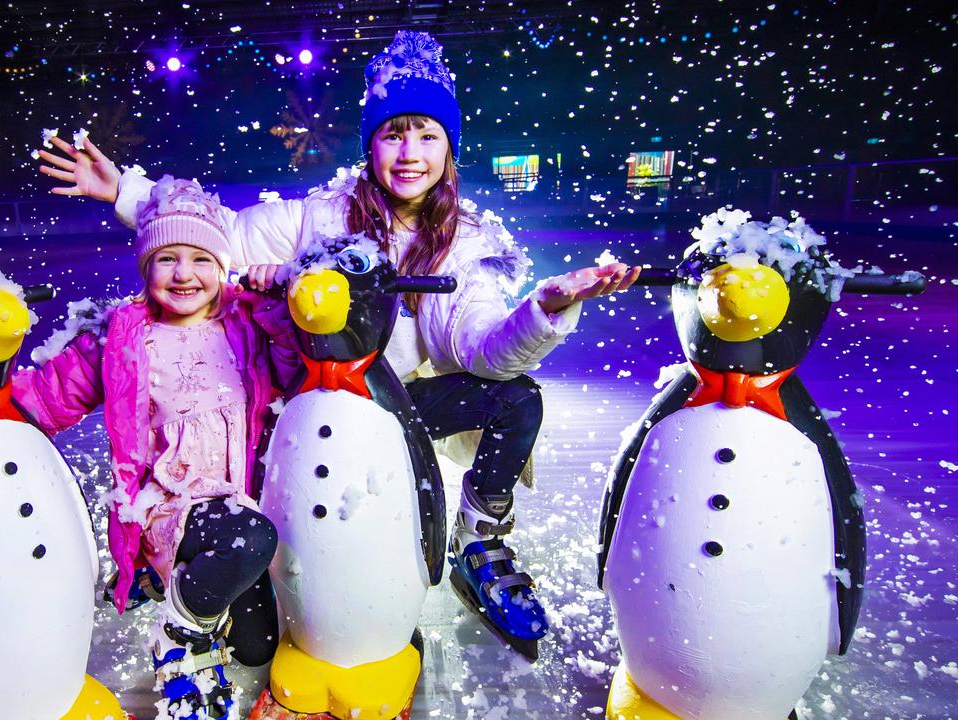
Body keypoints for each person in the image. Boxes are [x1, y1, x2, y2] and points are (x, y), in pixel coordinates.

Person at [34, 30, 639, 660]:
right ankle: (233, 563)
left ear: (450, 148)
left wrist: (545, 309)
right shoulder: (319, 217)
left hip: (396, 401)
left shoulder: (468, 240)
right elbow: (222, 237)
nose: (410, 153)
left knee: (515, 400)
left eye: (428, 135)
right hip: (308, 402)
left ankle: (480, 536)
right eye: (393, 133)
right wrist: (125, 194)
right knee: (270, 593)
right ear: (370, 143)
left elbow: (480, 349)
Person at [12, 176, 293, 719]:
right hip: (171, 505)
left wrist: (278, 308)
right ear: (145, 266)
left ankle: (199, 594)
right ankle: (180, 639)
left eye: (199, 258)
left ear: (222, 264)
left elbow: (289, 371)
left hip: (238, 498)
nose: (184, 274)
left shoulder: (246, 322)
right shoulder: (123, 335)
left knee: (258, 646)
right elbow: (47, 398)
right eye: (167, 258)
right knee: (251, 538)